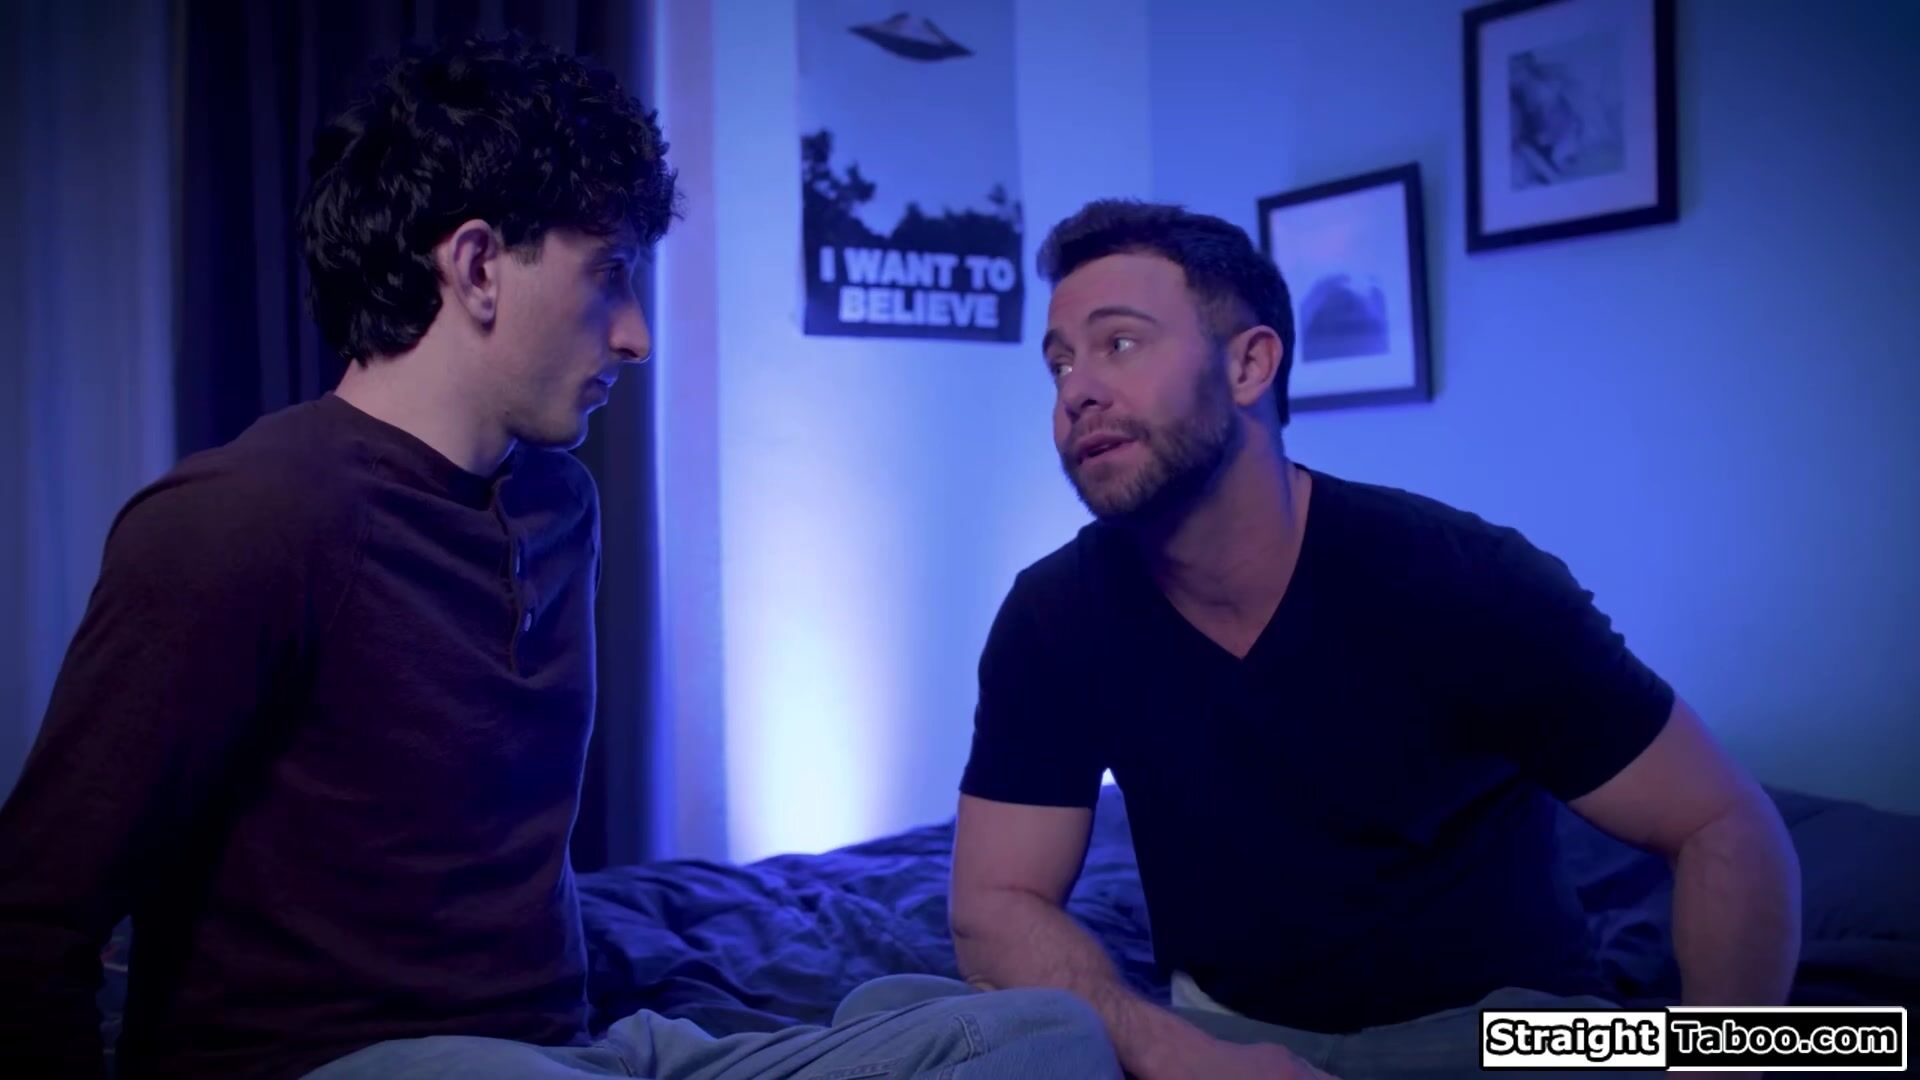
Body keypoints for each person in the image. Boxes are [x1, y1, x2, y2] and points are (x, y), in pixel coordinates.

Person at [0, 35, 1118, 1080]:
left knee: (1046, 1036)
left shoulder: (558, 504)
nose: (635, 332)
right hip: (363, 1064)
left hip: (574, 1052)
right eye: (609, 272)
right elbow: (33, 920)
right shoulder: (244, 517)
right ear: (478, 266)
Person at [946, 199, 1801, 1080]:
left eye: (1119, 343)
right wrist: (1172, 1050)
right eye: (1060, 363)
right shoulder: (1054, 615)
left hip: (1498, 1031)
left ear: (1249, 364)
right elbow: (995, 901)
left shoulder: (1466, 580)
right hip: (1230, 1033)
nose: (1076, 391)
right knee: (919, 1025)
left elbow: (1722, 823)